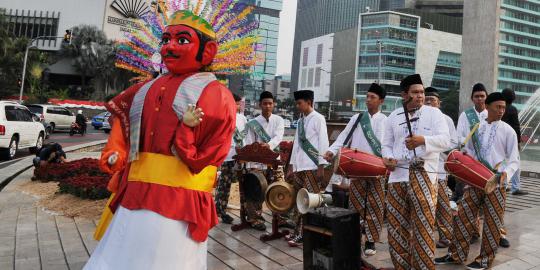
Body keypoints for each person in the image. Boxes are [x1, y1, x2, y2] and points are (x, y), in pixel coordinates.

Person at [85, 9, 237, 270]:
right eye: (165, 40)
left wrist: (186, 134)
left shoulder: (217, 95)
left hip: (178, 199)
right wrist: (116, 151)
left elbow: (209, 154)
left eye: (182, 40)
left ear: (208, 50)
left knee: (167, 259)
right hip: (135, 193)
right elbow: (124, 126)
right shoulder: (145, 88)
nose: (169, 47)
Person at [435, 92, 520, 270]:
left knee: (492, 222)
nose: (501, 111)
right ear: (487, 107)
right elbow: (470, 153)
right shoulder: (476, 127)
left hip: (495, 182)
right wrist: (464, 158)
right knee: (463, 217)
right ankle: (456, 254)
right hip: (474, 181)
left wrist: (504, 175)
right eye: (498, 107)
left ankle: (484, 260)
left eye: (503, 108)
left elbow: (514, 160)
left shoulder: (508, 130)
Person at [382, 74, 451, 270]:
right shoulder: (393, 116)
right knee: (396, 228)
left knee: (424, 227)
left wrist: (423, 141)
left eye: (422, 92)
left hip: (424, 175)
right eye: (416, 92)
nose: (421, 96)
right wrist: (387, 157)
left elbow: (446, 140)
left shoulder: (434, 114)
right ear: (404, 95)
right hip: (397, 176)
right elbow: (386, 144)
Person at [323, 83, 387, 256]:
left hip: (377, 170)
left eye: (372, 97)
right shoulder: (358, 118)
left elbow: (387, 146)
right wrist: (331, 151)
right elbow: (343, 137)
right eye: (367, 96)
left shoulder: (386, 121)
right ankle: (355, 237)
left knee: (374, 205)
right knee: (356, 205)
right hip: (357, 168)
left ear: (381, 101)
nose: (368, 100)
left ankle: (371, 241)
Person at [287, 90, 329, 247]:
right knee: (299, 201)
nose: (298, 106)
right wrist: (291, 165)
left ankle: (304, 234)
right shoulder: (300, 121)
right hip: (299, 166)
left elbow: (323, 142)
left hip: (312, 166)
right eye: (297, 103)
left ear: (309, 102)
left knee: (308, 201)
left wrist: (321, 166)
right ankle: (297, 231)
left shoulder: (318, 118)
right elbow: (296, 145)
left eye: (300, 103)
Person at [241, 91, 285, 231]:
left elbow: (278, 137)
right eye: (265, 103)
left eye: (270, 103)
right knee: (255, 189)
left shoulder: (279, 120)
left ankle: (281, 219)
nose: (267, 106)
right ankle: (255, 218)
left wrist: (269, 145)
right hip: (256, 162)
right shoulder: (252, 123)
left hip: (274, 161)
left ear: (274, 105)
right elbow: (247, 142)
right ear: (260, 105)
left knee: (279, 189)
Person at [424, 87, 459, 249]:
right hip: (421, 169)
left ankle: (445, 236)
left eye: (433, 100)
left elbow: (453, 143)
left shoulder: (447, 120)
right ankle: (423, 235)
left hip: (439, 169)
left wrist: (433, 144)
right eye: (427, 99)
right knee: (424, 203)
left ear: (439, 103)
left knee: (443, 204)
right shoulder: (419, 117)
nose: (429, 102)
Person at [214, 93, 247, 224]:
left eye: (238, 103)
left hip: (241, 155)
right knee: (224, 185)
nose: (237, 106)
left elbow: (245, 136)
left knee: (244, 184)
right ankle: (220, 211)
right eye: (235, 103)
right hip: (228, 155)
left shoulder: (242, 118)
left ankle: (246, 212)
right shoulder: (222, 116)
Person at [501, 88, 527, 196]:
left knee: (503, 163)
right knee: (516, 163)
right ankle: (515, 188)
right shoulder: (512, 109)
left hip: (501, 140)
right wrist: (518, 142)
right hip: (511, 140)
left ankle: (504, 185)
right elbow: (516, 126)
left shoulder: (500, 108)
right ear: (513, 98)